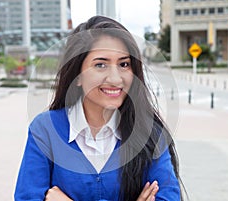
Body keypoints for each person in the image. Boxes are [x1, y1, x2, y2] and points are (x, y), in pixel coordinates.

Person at [14, 16, 184, 201]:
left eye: (124, 64)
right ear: (77, 76)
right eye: (100, 65)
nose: (115, 78)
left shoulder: (150, 133)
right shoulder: (45, 129)